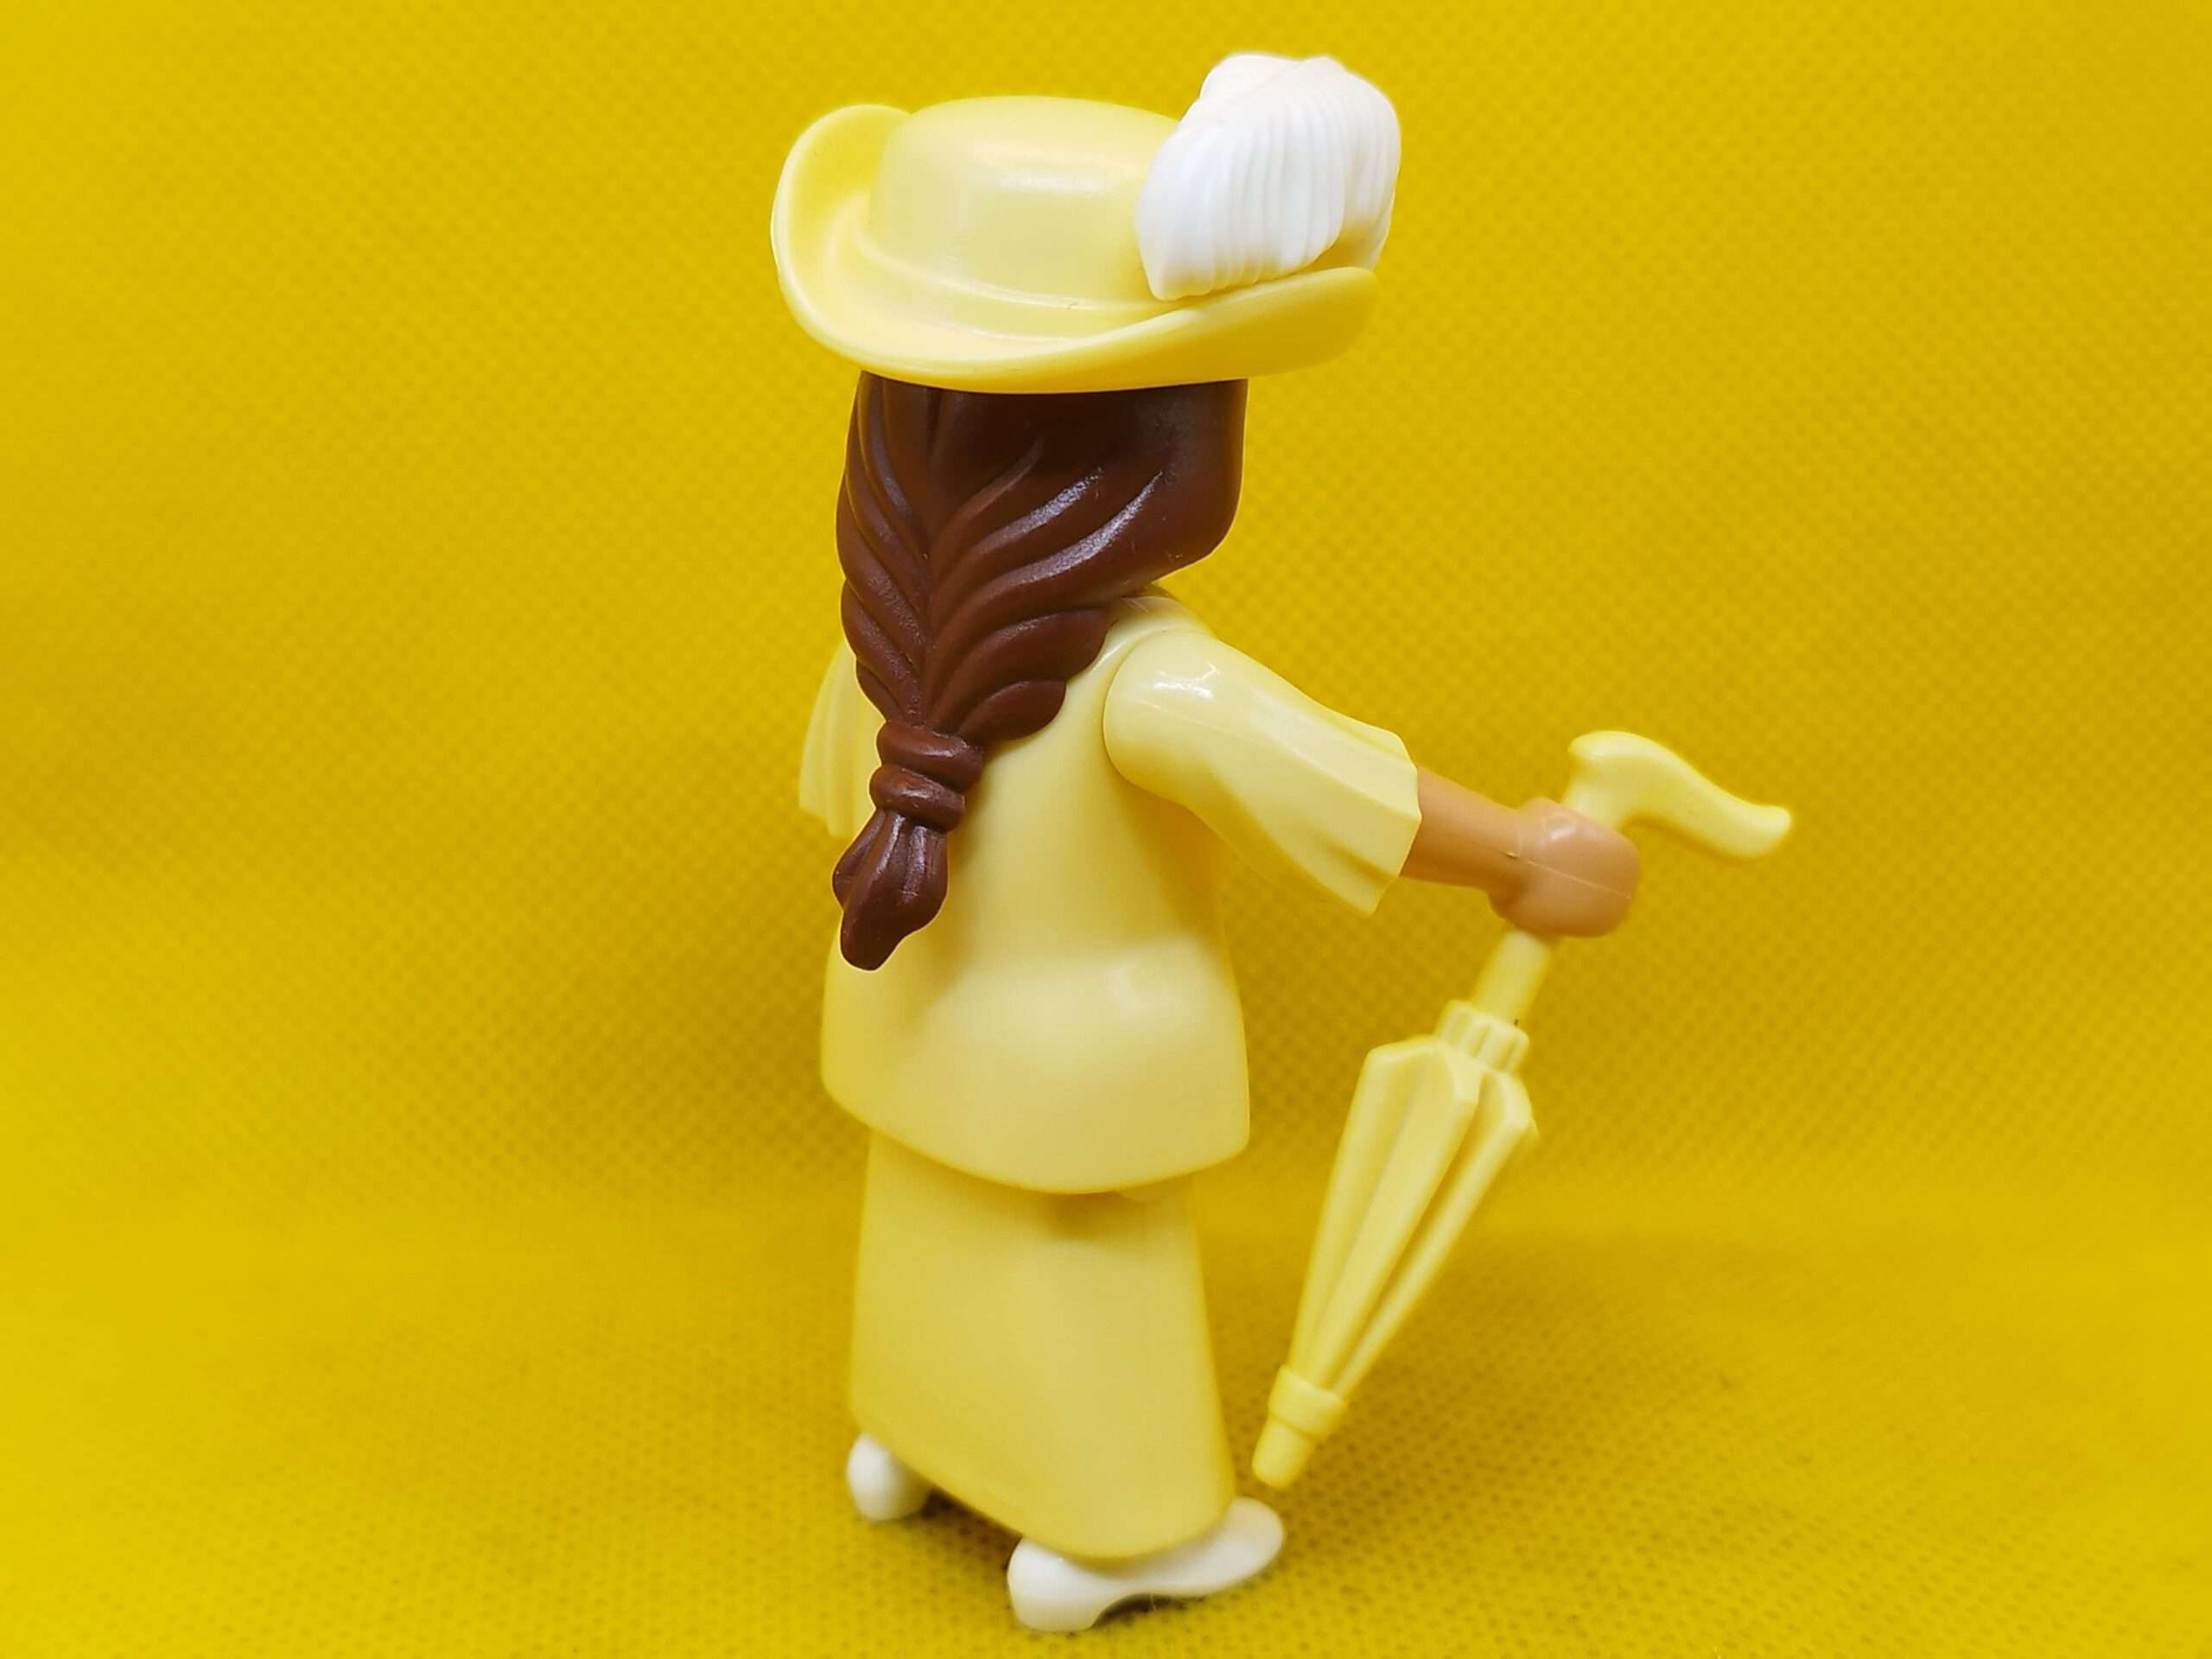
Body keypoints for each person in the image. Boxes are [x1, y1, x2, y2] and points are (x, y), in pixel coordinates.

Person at [775, 54, 1637, 1632]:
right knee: (1084, 1282)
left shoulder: (877, 659)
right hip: (1083, 1075)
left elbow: (854, 811)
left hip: (909, 1035)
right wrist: (1523, 852)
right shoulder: (1151, 682)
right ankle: (1121, 1528)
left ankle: (911, 1443)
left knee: (936, 1236)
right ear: (1164, 448)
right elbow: (1352, 794)